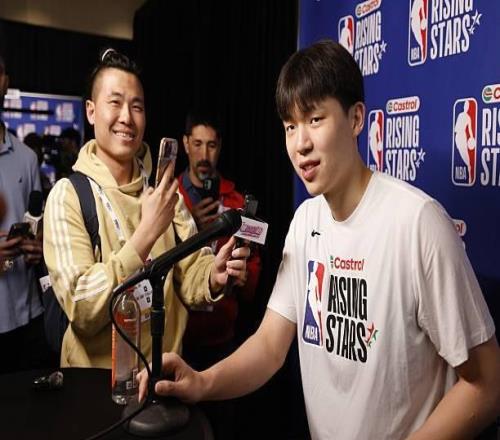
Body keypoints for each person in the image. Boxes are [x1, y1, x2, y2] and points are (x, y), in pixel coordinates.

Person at [138, 40, 499, 439]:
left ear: (356, 118)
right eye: (290, 127)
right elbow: (270, 346)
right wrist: (202, 382)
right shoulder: (305, 221)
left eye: (314, 119)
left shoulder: (418, 223)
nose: (301, 144)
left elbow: (486, 384)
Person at [43, 48, 248, 369]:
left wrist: (213, 276)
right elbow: (82, 307)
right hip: (95, 386)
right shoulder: (68, 195)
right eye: (115, 103)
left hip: (162, 377)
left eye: (136, 106)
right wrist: (146, 234)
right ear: (91, 111)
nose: (127, 117)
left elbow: (190, 273)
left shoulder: (164, 192)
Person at [177, 111, 262, 439]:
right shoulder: (170, 200)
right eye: (197, 144)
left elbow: (253, 275)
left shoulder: (239, 202)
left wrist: (243, 277)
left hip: (224, 341)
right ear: (186, 144)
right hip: (179, 341)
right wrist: (193, 228)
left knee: (222, 428)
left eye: (211, 145)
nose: (204, 154)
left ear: (220, 147)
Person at [0, 53, 48, 374]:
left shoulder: (27, 158)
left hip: (28, 316)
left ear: (5, 82)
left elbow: (38, 227)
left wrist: (38, 248)